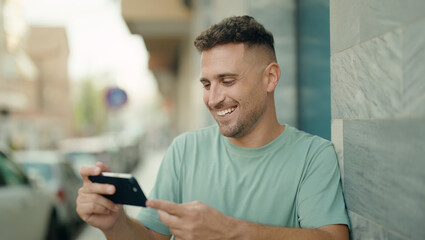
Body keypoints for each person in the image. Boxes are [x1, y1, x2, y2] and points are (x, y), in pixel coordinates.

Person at [76, 15, 350, 240]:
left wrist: (231, 231)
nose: (214, 98)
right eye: (207, 84)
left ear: (270, 77)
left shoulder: (314, 155)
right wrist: (114, 224)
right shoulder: (185, 149)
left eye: (227, 81)